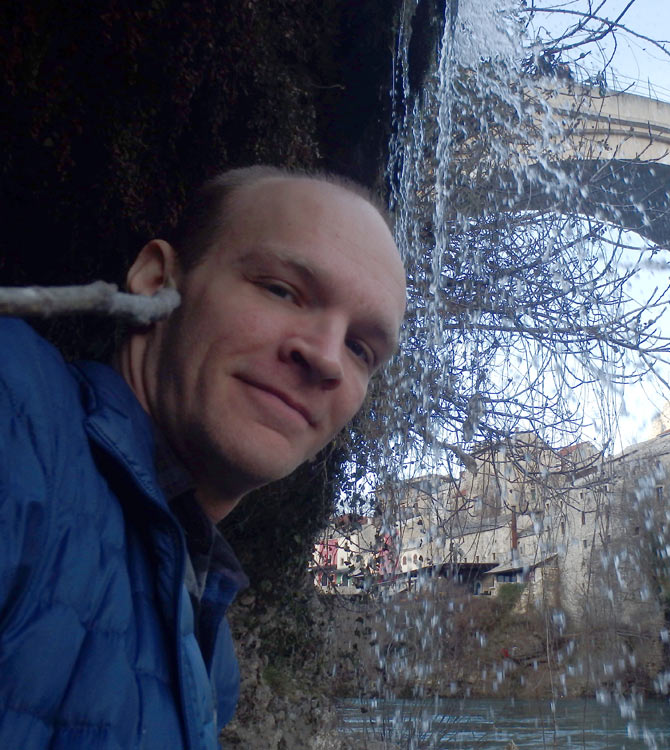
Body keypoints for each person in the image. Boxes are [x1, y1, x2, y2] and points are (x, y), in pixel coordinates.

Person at [0, 166, 408, 748]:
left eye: (361, 348)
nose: (326, 358)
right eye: (280, 290)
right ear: (155, 280)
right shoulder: (18, 415)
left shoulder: (211, 664)